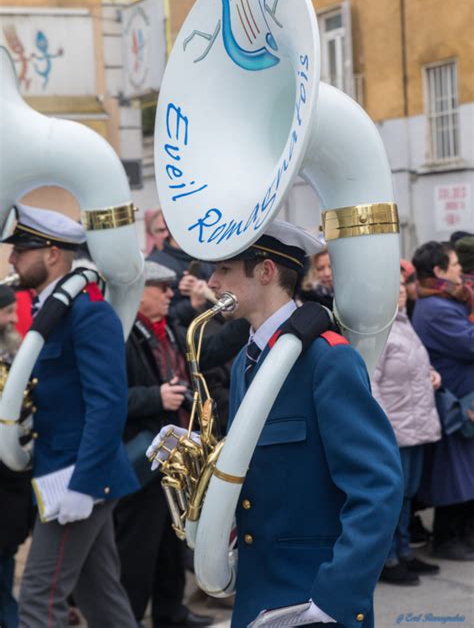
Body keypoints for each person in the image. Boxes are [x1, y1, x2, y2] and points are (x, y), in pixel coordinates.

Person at [149, 221, 403, 628]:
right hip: (257, 591)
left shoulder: (328, 359)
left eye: (224, 270)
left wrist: (335, 598)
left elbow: (378, 487)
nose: (211, 282)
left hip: (313, 597)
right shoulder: (247, 359)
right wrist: (200, 453)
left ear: (265, 271)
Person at [2, 203, 139, 627]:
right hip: (61, 472)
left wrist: (83, 486)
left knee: (39, 598)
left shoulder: (88, 313)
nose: (11, 260)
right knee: (102, 599)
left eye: (20, 251)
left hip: (79, 478)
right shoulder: (54, 312)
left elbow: (108, 403)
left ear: (52, 254)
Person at [114, 261, 213, 628]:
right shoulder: (122, 333)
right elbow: (109, 399)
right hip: (142, 456)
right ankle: (128, 617)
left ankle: (171, 612)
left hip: (174, 453)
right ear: (140, 292)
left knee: (173, 542)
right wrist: (156, 397)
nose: (172, 294)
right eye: (162, 288)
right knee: (137, 546)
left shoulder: (170, 329)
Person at [372, 270, 442, 586]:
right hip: (395, 427)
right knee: (394, 497)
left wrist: (431, 373)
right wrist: (382, 427)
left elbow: (412, 365)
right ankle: (388, 559)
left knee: (408, 495)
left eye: (402, 286)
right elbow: (371, 381)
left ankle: (404, 552)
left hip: (415, 423)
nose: (400, 291)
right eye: (393, 286)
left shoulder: (404, 322)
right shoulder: (378, 328)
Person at [411, 241, 474, 561]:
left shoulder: (444, 302)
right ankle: (448, 538)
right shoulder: (435, 309)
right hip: (454, 403)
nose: (461, 270)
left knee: (465, 474)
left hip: (462, 399)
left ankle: (463, 535)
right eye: (454, 265)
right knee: (454, 477)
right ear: (438, 271)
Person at [0, 285, 33, 628]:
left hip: (14, 474)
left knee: (7, 553)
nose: (13, 319)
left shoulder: (14, 346)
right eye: (7, 312)